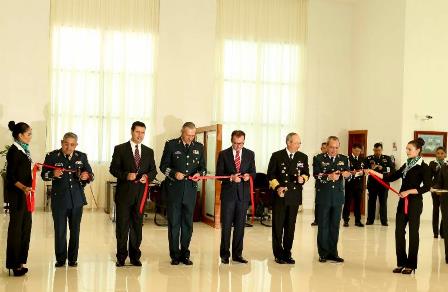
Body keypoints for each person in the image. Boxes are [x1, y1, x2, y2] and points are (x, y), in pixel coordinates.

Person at [367, 138, 431, 274]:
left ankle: (411, 265)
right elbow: (391, 177)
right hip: (402, 202)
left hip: (414, 203)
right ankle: (401, 262)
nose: (407, 151)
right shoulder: (406, 165)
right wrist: (373, 172)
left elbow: (426, 187)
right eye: (407, 149)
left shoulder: (424, 167)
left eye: (409, 149)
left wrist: (408, 191)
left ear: (417, 150)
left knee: (414, 233)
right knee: (399, 232)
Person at [41, 132, 94, 267]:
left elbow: (91, 174)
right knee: (60, 230)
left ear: (76, 145)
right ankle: (60, 259)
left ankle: (72, 259)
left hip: (76, 200)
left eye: (72, 145)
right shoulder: (52, 156)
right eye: (66, 144)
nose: (68, 147)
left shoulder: (81, 156)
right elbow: (44, 175)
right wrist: (52, 174)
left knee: (75, 230)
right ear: (61, 142)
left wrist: (86, 175)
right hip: (59, 200)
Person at [110, 121, 157, 267]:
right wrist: (126, 175)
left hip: (140, 196)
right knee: (122, 226)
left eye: (143, 132)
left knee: (137, 226)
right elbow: (113, 169)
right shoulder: (120, 149)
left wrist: (147, 177)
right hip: (124, 195)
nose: (140, 135)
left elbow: (153, 170)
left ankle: (135, 256)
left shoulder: (149, 151)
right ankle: (121, 257)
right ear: (131, 131)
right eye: (137, 132)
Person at [160, 122, 206, 265]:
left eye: (193, 136)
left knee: (187, 224)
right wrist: (174, 173)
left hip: (190, 191)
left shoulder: (199, 147)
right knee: (174, 224)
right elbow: (163, 167)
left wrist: (199, 174)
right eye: (188, 135)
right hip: (174, 190)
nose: (190, 138)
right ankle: (174, 255)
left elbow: (203, 168)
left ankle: (185, 254)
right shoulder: (171, 145)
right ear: (182, 132)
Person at [267, 133, 309, 264]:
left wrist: (303, 179)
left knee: (290, 226)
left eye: (299, 143)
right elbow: (271, 174)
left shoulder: (303, 157)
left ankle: (287, 253)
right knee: (278, 226)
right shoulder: (277, 155)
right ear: (288, 142)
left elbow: (306, 173)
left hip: (294, 196)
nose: (298, 145)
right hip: (280, 195)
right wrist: (278, 187)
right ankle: (278, 253)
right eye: (296, 143)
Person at [216, 130, 256, 264]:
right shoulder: (223, 154)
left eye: (241, 143)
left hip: (243, 196)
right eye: (236, 143)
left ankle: (237, 254)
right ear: (231, 141)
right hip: (228, 195)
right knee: (226, 226)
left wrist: (247, 176)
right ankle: (224, 255)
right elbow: (219, 174)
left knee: (240, 227)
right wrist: (231, 178)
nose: (238, 146)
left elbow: (253, 173)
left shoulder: (250, 154)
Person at [313, 136, 351, 263]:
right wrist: (329, 177)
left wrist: (348, 175)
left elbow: (349, 175)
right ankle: (323, 253)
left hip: (338, 197)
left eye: (336, 147)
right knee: (323, 225)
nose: (334, 150)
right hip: (324, 196)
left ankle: (333, 253)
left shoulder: (344, 159)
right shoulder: (318, 158)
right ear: (327, 146)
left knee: (335, 226)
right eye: (331, 147)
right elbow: (316, 175)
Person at [5, 121, 33, 276]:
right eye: (28, 134)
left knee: (25, 227)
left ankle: (20, 263)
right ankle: (14, 265)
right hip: (17, 195)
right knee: (16, 229)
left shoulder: (24, 150)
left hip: (25, 195)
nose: (30, 136)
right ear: (20, 135)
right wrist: (23, 187)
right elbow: (10, 177)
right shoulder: (14, 151)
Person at [365, 142, 395, 226]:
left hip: (383, 184)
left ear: (382, 150)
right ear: (373, 150)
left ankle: (384, 221)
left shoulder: (387, 158)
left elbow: (392, 169)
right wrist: (371, 168)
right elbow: (365, 169)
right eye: (375, 150)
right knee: (371, 202)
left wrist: (383, 168)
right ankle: (370, 220)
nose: (377, 152)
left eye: (379, 150)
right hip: (372, 184)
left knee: (383, 203)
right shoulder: (369, 158)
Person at [343, 143, 365, 227]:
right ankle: (345, 220)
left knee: (358, 203)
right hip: (350, 184)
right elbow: (345, 171)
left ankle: (358, 220)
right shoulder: (347, 159)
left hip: (359, 185)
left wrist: (360, 172)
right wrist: (352, 172)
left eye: (359, 151)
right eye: (356, 151)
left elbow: (364, 171)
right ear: (352, 150)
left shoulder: (362, 159)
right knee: (347, 202)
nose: (358, 153)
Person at [432, 157, 448, 264]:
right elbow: (440, 182)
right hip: (446, 201)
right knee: (447, 228)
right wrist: (435, 188)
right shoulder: (444, 167)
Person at [429, 146, 446, 238]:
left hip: (445, 191)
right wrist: (432, 187)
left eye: (442, 153)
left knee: (444, 211)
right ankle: (435, 232)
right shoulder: (432, 164)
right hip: (435, 190)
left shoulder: (447, 164)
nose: (440, 155)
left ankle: (443, 232)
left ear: (445, 154)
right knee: (436, 210)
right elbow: (428, 177)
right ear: (435, 154)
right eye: (438, 153)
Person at [311, 142, 327, 227]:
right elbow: (316, 173)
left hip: (329, 185)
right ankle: (316, 220)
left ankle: (326, 220)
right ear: (321, 149)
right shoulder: (317, 158)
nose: (325, 149)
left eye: (326, 147)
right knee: (318, 203)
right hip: (320, 184)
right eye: (323, 148)